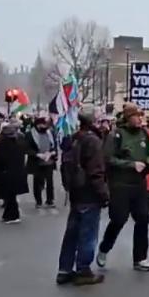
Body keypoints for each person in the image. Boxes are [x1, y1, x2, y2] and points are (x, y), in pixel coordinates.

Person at [97, 103, 149, 272]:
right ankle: (104, 248)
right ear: (128, 118)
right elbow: (108, 159)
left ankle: (140, 258)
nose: (140, 119)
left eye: (141, 116)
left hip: (139, 184)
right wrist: (130, 165)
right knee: (119, 219)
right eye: (137, 116)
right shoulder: (116, 134)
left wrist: (148, 162)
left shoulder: (144, 133)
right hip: (120, 184)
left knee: (143, 218)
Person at [57, 105, 110, 286]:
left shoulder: (74, 138)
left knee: (71, 233)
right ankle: (83, 270)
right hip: (88, 193)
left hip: (76, 192)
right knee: (88, 234)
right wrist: (104, 194)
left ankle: (64, 269)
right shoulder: (93, 141)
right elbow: (96, 171)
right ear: (93, 120)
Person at [0, 118, 29, 223]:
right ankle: (10, 214)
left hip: (6, 172)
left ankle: (12, 215)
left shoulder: (3, 144)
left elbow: (0, 159)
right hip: (17, 172)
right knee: (11, 196)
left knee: (9, 196)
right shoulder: (19, 142)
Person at [26, 117, 58, 208]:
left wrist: (52, 152)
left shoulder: (50, 133)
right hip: (37, 162)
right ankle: (38, 201)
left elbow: (54, 145)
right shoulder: (30, 134)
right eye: (43, 124)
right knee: (38, 182)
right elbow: (27, 148)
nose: (45, 126)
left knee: (50, 182)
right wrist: (37, 154)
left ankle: (50, 200)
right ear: (38, 125)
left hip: (49, 161)